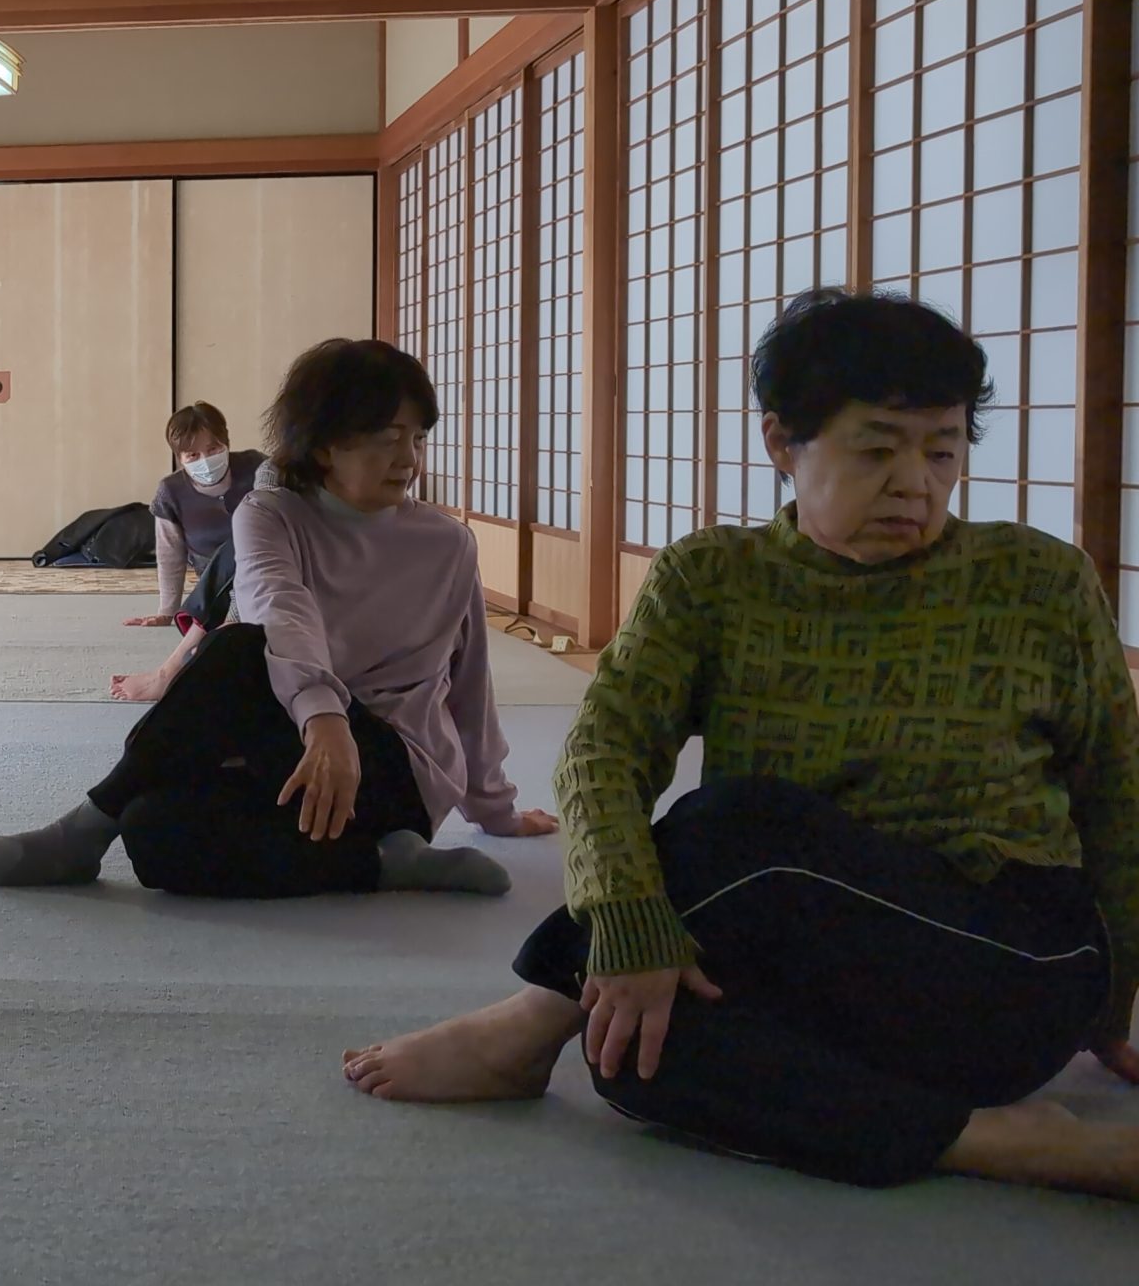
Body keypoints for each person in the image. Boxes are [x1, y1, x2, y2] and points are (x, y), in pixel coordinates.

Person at [342, 290, 1139, 1200]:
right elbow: (603, 754)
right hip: (819, 959)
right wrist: (631, 930)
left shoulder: (1038, 580)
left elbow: (1116, 790)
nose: (915, 483)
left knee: (733, 823)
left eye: (943, 452)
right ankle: (1007, 1144)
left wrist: (1115, 1004)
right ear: (781, 444)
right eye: (877, 450)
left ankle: (531, 1018)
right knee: (630, 1046)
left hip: (1010, 964)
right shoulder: (714, 577)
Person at [0, 339, 558, 899]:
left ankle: (81, 833)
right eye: (385, 438)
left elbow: (469, 681)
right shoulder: (270, 514)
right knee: (153, 828)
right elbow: (280, 608)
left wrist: (494, 809)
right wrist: (323, 716)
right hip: (298, 742)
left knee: (238, 650)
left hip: (395, 769)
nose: (409, 459)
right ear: (324, 443)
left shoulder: (447, 544)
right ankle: (383, 863)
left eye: (417, 438)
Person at [113, 401, 271, 702]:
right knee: (240, 544)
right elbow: (170, 554)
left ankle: (172, 668)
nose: (205, 460)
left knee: (248, 533)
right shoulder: (170, 492)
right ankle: (218, 634)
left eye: (213, 449)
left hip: (265, 573)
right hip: (216, 592)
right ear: (180, 458)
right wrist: (166, 610)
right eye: (193, 455)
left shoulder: (258, 468)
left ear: (226, 443)